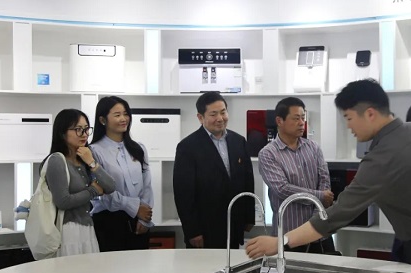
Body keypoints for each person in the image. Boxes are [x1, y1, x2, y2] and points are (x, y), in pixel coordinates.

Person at [246, 79, 411, 264]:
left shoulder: (380, 159)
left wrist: (281, 242)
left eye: (348, 118)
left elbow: (339, 213)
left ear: (370, 114)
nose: (348, 127)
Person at [174, 92, 255, 249]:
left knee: (233, 263)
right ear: (200, 117)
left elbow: (248, 181)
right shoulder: (187, 147)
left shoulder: (239, 141)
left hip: (234, 224)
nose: (220, 118)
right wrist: (192, 231)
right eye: (213, 114)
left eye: (223, 112)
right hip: (205, 228)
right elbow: (183, 193)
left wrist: (249, 217)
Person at [258, 97, 335, 254]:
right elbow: (282, 189)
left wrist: (315, 219)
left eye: (303, 118)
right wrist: (319, 196)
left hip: (319, 232)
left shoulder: (313, 148)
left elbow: (324, 180)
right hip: (288, 235)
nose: (301, 123)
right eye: (296, 118)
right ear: (279, 121)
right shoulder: (268, 154)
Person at [43, 109, 115, 256]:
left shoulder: (85, 157)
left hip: (87, 227)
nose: (84, 134)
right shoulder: (57, 160)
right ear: (62, 133)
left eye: (86, 129)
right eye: (78, 129)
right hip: (67, 231)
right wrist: (93, 191)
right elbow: (63, 201)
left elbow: (110, 186)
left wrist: (92, 162)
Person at [90, 96, 155, 251]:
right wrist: (134, 207)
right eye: (117, 115)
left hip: (139, 220)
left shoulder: (138, 148)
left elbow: (147, 184)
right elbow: (102, 191)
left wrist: (144, 217)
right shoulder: (94, 151)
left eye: (126, 114)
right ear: (102, 120)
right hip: (109, 221)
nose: (123, 119)